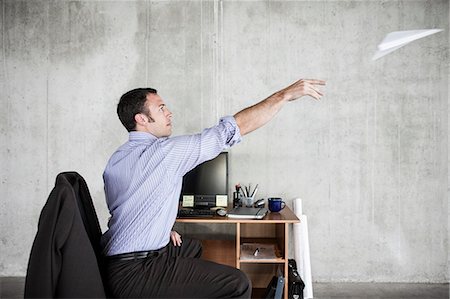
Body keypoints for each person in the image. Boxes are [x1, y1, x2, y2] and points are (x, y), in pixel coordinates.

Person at [101, 78, 325, 298]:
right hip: (135, 273)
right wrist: (283, 96)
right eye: (161, 109)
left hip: (115, 263)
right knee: (237, 284)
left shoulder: (118, 158)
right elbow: (232, 129)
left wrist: (159, 228)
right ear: (141, 119)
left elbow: (128, 205)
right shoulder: (165, 153)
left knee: (192, 247)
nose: (169, 113)